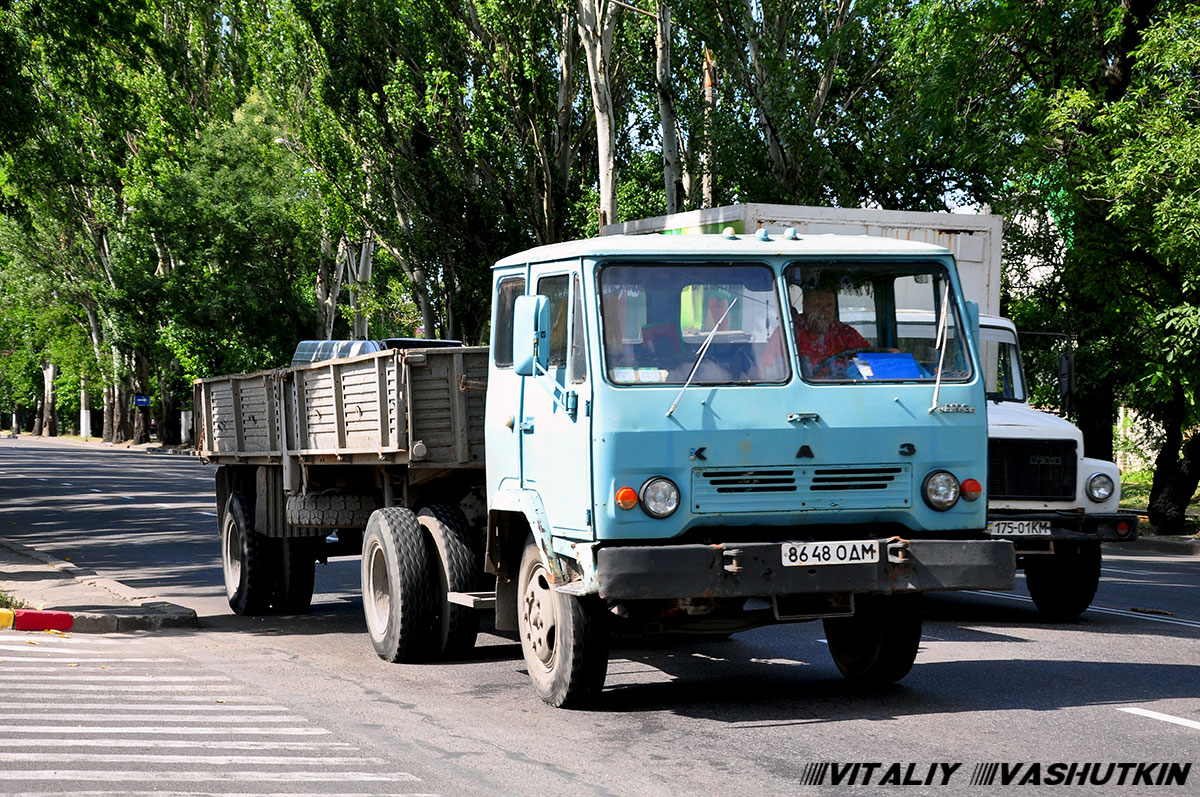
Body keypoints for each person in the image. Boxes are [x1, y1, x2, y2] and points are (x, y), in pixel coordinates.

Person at [792, 286, 869, 378]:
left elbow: (869, 357)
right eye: (818, 305)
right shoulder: (791, 332)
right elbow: (773, 369)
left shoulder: (845, 333)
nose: (824, 311)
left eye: (829, 305)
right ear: (805, 306)